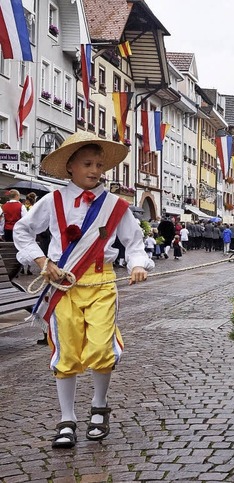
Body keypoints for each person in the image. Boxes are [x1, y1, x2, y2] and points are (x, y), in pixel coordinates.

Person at [12, 131, 154, 449]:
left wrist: (137, 265)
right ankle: (67, 419)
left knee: (101, 347)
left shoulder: (115, 206)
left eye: (99, 165)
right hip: (63, 284)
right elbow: (22, 230)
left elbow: (134, 242)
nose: (95, 170)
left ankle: (99, 406)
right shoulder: (52, 201)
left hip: (101, 283)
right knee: (67, 349)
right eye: (88, 164)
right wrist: (42, 261)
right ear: (70, 167)